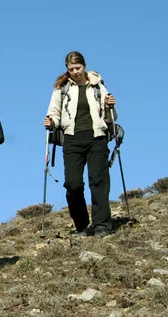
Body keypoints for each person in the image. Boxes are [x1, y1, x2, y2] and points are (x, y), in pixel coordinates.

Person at [43, 51, 117, 237]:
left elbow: (112, 118)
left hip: (97, 137)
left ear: (84, 66)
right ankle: (82, 225)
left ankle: (102, 225)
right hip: (72, 139)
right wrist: (51, 122)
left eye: (78, 68)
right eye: (71, 69)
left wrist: (111, 106)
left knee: (98, 181)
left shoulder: (98, 86)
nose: (75, 72)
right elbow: (54, 113)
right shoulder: (62, 88)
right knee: (73, 184)